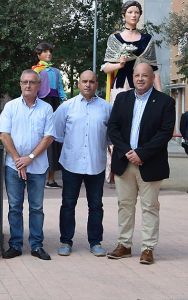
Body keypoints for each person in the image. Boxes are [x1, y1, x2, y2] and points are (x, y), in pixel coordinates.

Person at [106, 63, 175, 265]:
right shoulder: (122, 98)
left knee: (150, 207)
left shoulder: (165, 102)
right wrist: (128, 152)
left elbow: (165, 133)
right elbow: (113, 127)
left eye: (145, 75)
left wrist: (141, 153)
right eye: (137, 75)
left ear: (152, 78)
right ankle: (124, 245)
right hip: (124, 163)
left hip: (150, 164)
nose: (140, 79)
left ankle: (148, 248)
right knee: (125, 206)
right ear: (133, 78)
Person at [102, 0, 162, 187]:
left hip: (144, 88)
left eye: (137, 12)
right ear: (124, 15)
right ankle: (115, 169)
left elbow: (154, 69)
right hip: (121, 86)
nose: (134, 15)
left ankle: (140, 163)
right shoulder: (115, 38)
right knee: (119, 126)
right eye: (130, 12)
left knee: (144, 125)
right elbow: (105, 68)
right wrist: (119, 64)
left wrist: (161, 95)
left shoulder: (147, 39)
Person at [53, 71, 112, 257]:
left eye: (92, 82)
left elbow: (110, 136)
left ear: (97, 84)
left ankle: (95, 242)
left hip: (96, 164)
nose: (88, 84)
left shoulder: (106, 108)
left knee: (96, 205)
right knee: (68, 204)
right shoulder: (66, 107)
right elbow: (58, 133)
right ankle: (66, 241)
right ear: (78, 84)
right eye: (84, 81)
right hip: (72, 163)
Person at [0, 70, 54, 260]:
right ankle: (15, 245)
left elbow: (48, 137)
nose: (28, 85)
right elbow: (4, 135)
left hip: (37, 167)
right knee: (15, 206)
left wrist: (29, 158)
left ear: (39, 85)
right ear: (20, 84)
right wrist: (18, 160)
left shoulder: (46, 109)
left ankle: (37, 246)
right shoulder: (11, 107)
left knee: (36, 207)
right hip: (14, 167)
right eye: (24, 82)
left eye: (32, 82)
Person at [32, 42, 67, 189]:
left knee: (52, 138)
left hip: (54, 104)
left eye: (50, 52)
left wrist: (64, 99)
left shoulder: (56, 71)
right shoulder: (35, 71)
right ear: (39, 55)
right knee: (37, 137)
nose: (48, 54)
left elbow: (60, 88)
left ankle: (51, 179)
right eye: (45, 52)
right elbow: (32, 88)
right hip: (40, 102)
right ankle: (34, 177)